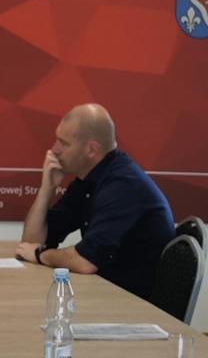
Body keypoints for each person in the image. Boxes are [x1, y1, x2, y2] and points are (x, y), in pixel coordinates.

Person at [15, 104, 175, 300]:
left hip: (133, 305)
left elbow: (84, 261)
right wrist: (47, 189)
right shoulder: (88, 181)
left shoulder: (123, 185)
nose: (54, 150)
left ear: (91, 149)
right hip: (110, 294)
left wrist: (41, 255)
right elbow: (31, 243)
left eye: (64, 143)